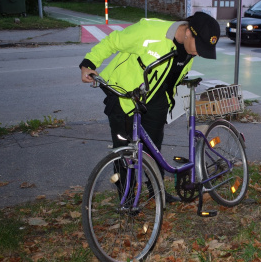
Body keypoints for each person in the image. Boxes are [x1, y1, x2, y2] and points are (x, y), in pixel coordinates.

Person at [80, 12, 220, 203]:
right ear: (188, 32)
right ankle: (127, 199)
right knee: (123, 152)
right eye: (199, 47)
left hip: (156, 101)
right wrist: (89, 64)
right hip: (125, 97)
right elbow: (113, 41)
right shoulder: (150, 31)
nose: (198, 53)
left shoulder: (189, 51)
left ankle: (157, 193)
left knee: (154, 151)